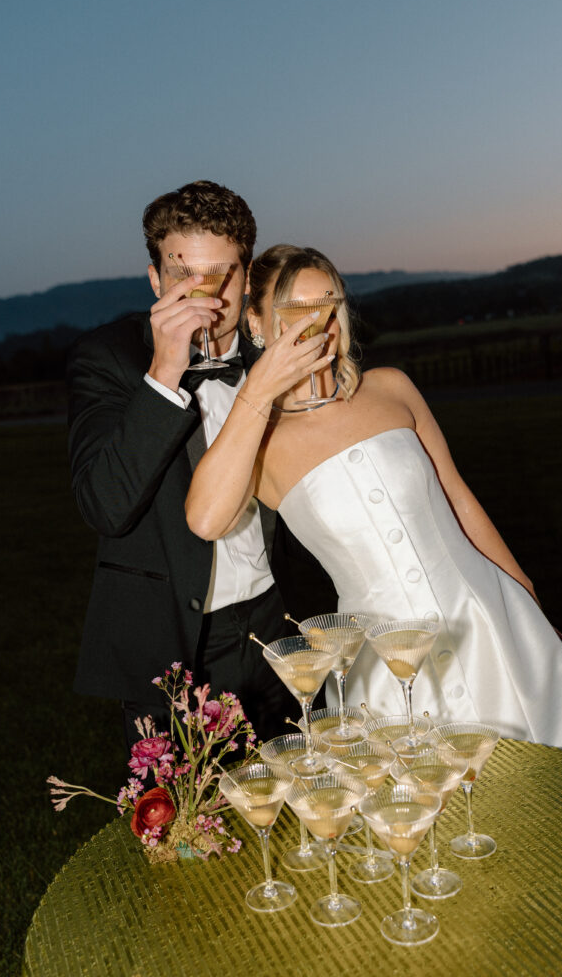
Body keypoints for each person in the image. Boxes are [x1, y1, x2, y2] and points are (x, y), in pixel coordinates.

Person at [184, 244, 562, 749]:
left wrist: (526, 596)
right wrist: (259, 390)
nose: (316, 325)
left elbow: (459, 499)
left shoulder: (390, 388)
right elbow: (205, 519)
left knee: (539, 787)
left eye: (327, 305)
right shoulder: (259, 442)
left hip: (485, 624)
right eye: (294, 310)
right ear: (256, 322)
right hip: (383, 671)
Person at [66, 184, 337, 751]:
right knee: (189, 809)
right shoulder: (107, 358)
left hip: (282, 620)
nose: (204, 294)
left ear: (248, 277)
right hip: (176, 639)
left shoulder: (276, 349)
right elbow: (105, 506)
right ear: (155, 280)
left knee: (304, 787)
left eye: (221, 274)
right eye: (183, 274)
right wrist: (165, 371)